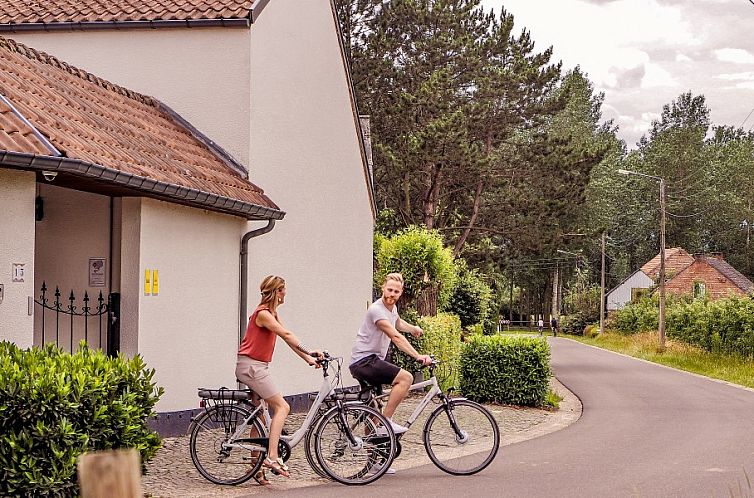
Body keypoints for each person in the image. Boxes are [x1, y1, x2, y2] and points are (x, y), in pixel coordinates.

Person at [235, 275, 321, 482]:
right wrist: (310, 350)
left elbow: (288, 339)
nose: (285, 293)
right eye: (283, 289)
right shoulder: (263, 314)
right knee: (283, 407)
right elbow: (286, 334)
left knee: (262, 419)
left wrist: (308, 358)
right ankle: (272, 457)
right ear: (275, 292)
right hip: (251, 367)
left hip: (255, 366)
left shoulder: (271, 313)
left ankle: (255, 467)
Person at [349, 273, 433, 438]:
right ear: (383, 288)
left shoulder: (392, 309)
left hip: (371, 361)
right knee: (406, 378)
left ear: (400, 293)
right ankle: (386, 421)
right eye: (389, 290)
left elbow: (398, 323)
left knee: (373, 415)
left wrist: (413, 328)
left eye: (396, 291)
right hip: (364, 361)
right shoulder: (376, 310)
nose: (392, 294)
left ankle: (374, 463)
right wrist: (417, 356)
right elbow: (395, 336)